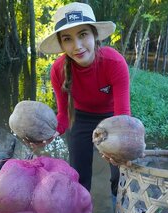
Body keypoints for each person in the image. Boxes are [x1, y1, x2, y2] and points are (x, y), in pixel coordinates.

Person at [37, 2, 131, 202]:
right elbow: (63, 115)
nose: (77, 46)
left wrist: (120, 147)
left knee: (119, 173)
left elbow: (123, 116)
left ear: (94, 35)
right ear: (61, 45)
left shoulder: (114, 63)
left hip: (113, 118)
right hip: (79, 118)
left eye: (83, 35)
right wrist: (49, 132)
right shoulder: (58, 70)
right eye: (68, 39)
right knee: (78, 175)